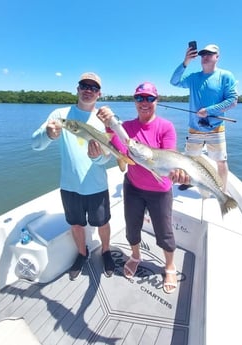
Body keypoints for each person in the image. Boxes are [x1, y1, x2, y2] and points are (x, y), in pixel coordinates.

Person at [95, 82, 190, 294]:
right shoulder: (126, 126)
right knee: (132, 226)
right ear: (134, 101)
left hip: (160, 189)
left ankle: (169, 266)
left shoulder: (166, 127)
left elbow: (169, 156)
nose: (144, 102)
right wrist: (109, 124)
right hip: (133, 187)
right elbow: (122, 150)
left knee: (164, 232)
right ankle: (135, 255)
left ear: (157, 101)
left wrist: (179, 173)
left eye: (149, 98)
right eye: (140, 98)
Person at [31, 72, 115, 280]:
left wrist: (97, 158)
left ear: (99, 94)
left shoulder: (103, 120)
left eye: (93, 88)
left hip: (96, 186)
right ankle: (82, 253)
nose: (88, 90)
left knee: (102, 223)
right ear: (77, 89)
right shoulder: (60, 115)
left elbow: (107, 157)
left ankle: (105, 251)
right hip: (69, 186)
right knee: (76, 224)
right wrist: (48, 135)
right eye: (84, 86)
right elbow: (35, 144)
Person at [170, 44, 238, 192]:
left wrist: (209, 110)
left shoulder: (225, 76)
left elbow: (232, 100)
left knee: (221, 161)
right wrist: (186, 61)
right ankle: (189, 181)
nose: (205, 57)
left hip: (216, 127)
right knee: (189, 160)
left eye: (209, 54)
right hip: (194, 127)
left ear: (217, 57)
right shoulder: (194, 77)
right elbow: (174, 81)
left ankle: (222, 191)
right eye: (202, 54)